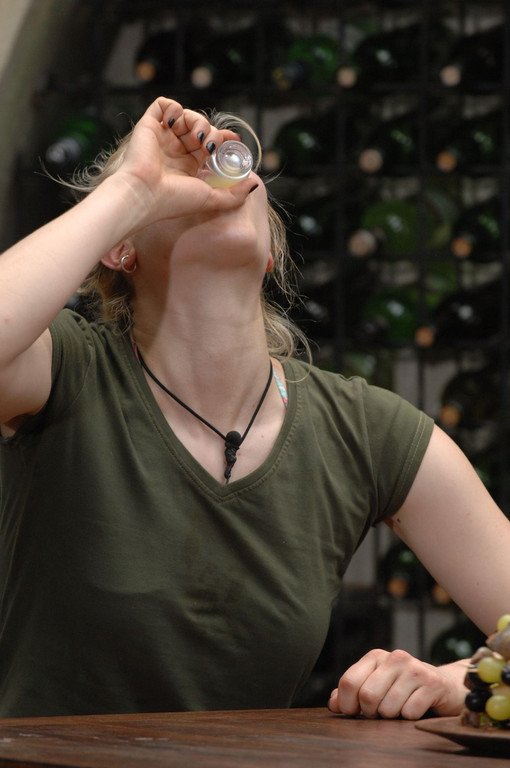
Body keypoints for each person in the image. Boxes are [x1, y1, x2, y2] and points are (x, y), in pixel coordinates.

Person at [0, 96, 509, 720]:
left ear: (269, 251)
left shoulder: (362, 430)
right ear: (119, 248)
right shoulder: (70, 370)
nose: (212, 162)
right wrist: (134, 189)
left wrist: (460, 683)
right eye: (179, 173)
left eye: (229, 159)